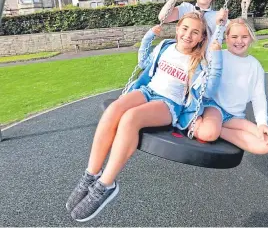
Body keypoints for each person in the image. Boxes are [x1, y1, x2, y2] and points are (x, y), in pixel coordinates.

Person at [66, 12, 222, 222]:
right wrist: (149, 37)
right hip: (147, 91)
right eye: (184, 29)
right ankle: (90, 176)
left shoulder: (200, 61)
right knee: (114, 110)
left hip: (168, 104)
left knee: (131, 118)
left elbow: (209, 91)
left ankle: (106, 185)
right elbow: (144, 62)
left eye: (195, 32)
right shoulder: (165, 46)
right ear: (177, 29)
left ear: (202, 38)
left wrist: (217, 56)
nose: (188, 35)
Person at [180, 17, 268, 155]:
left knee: (266, 144)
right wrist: (219, 22)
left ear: (251, 38)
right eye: (234, 36)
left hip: (234, 117)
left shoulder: (255, 66)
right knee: (208, 133)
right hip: (214, 108)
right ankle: (202, 125)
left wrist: (263, 123)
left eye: (244, 37)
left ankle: (219, 130)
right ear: (226, 37)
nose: (239, 41)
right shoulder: (218, 56)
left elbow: (258, 96)